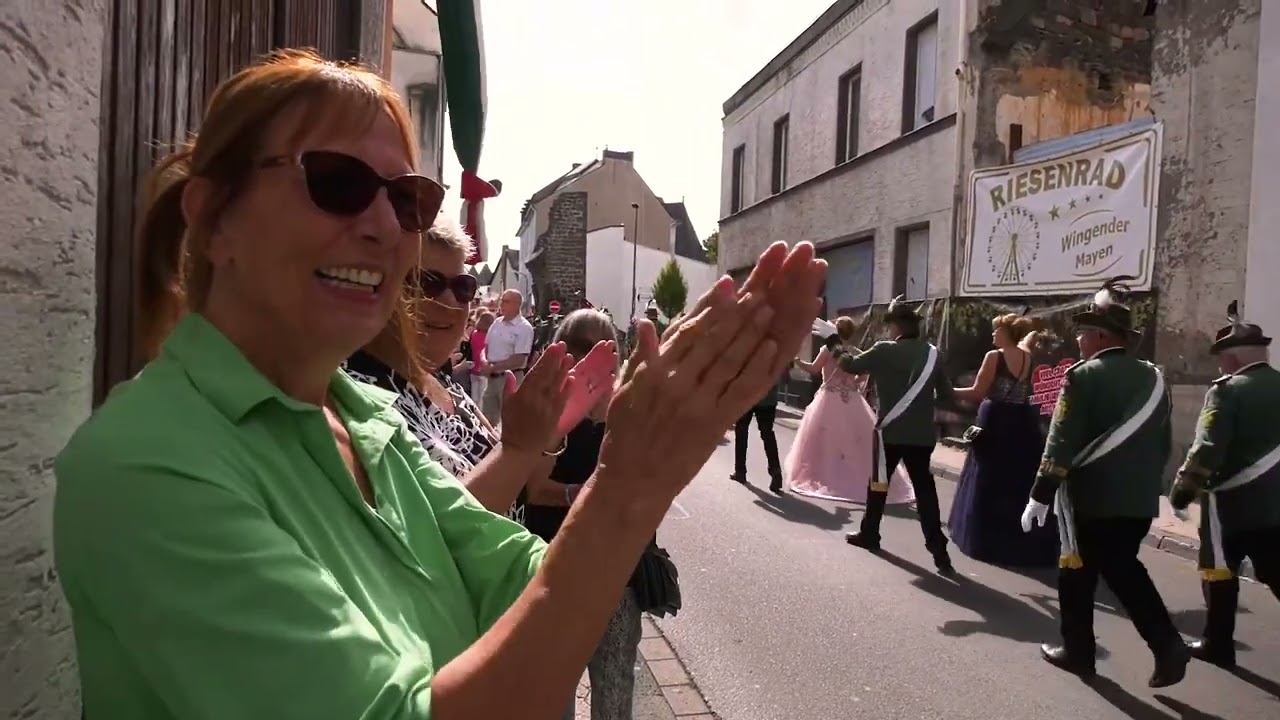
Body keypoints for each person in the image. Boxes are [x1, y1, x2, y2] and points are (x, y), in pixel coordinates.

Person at [51, 49, 827, 720]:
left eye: (407, 199)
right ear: (214, 219)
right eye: (337, 181)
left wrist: (640, 465)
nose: (387, 227)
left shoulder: (366, 417)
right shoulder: (144, 463)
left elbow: (516, 577)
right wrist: (630, 482)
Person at [1020, 277, 1189, 688]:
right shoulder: (1154, 378)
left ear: (1098, 336)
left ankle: (1156, 644)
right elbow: (1163, 443)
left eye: (1082, 334)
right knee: (1111, 568)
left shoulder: (1083, 376)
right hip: (1139, 497)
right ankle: (1087, 650)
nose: (1078, 341)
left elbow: (1060, 442)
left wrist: (1040, 494)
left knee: (1082, 569)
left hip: (1092, 498)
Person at [345, 219, 552, 522]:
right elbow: (433, 536)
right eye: (426, 282)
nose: (448, 300)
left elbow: (523, 485)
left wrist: (551, 429)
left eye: (462, 287)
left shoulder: (446, 386)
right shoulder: (357, 394)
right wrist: (517, 449)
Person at [522, 309, 644, 720]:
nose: (593, 355)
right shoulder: (548, 405)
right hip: (554, 568)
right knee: (553, 691)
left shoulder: (629, 407)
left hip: (616, 577)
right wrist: (586, 494)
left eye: (604, 346)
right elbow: (536, 490)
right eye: (581, 346)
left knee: (614, 694)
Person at [1169, 301, 1280, 670]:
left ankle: (1218, 644)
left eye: (1221, 358)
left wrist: (1183, 489)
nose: (1219, 365)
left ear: (1231, 360)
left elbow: (1208, 447)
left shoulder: (1227, 390)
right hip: (1275, 503)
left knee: (1218, 570)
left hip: (1230, 504)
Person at [833, 297, 956, 576]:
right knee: (925, 491)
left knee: (878, 484)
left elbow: (848, 364)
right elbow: (947, 396)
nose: (888, 330)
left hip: (890, 431)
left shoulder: (884, 350)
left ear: (897, 326)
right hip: (922, 434)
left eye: (889, 325)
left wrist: (832, 342)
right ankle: (939, 551)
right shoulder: (932, 354)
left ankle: (870, 534)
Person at [948, 312, 1058, 566]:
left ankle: (986, 540)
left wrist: (946, 390)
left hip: (995, 419)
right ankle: (1019, 539)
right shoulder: (1027, 357)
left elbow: (977, 392)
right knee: (1016, 482)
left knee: (986, 479)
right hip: (1021, 423)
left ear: (1008, 333)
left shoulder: (994, 357)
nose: (993, 334)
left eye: (997, 330)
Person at [788, 317, 912, 505]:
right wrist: (853, 384)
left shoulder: (828, 349)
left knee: (824, 438)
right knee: (857, 440)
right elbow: (865, 372)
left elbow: (814, 369)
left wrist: (797, 360)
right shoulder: (854, 352)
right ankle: (854, 474)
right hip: (852, 399)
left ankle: (827, 473)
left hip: (829, 397)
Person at [480, 288, 535, 422]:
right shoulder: (496, 323)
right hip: (492, 379)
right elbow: (485, 347)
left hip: (511, 378)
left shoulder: (524, 328)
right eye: (501, 301)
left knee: (510, 421)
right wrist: (484, 362)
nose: (501, 304)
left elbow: (519, 359)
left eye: (506, 301)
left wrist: (492, 368)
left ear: (517, 304)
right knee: (487, 421)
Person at [730, 368, 786, 494]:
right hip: (768, 397)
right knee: (767, 434)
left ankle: (740, 472)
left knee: (741, 431)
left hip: (747, 395)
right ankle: (775, 471)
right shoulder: (777, 349)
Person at [469, 310, 494, 407]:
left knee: (474, 398)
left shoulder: (474, 334)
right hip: (485, 369)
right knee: (483, 399)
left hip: (474, 368)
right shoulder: (491, 336)